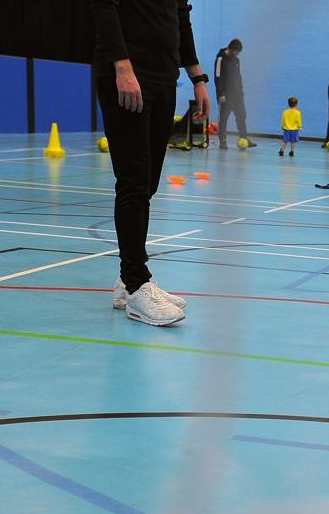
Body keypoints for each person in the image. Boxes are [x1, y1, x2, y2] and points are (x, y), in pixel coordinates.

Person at [93, 0, 211, 327]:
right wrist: (122, 65)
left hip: (163, 77)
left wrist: (198, 77)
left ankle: (126, 280)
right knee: (132, 180)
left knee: (147, 183)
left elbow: (180, 18)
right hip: (128, 73)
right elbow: (104, 7)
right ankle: (136, 284)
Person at [213, 38, 253, 149]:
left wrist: (241, 91)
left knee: (241, 115)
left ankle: (244, 137)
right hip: (225, 95)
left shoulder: (236, 60)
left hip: (237, 95)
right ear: (232, 49)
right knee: (224, 118)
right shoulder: (220, 59)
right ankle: (223, 140)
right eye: (237, 51)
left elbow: (238, 76)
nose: (238, 54)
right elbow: (217, 77)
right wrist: (221, 94)